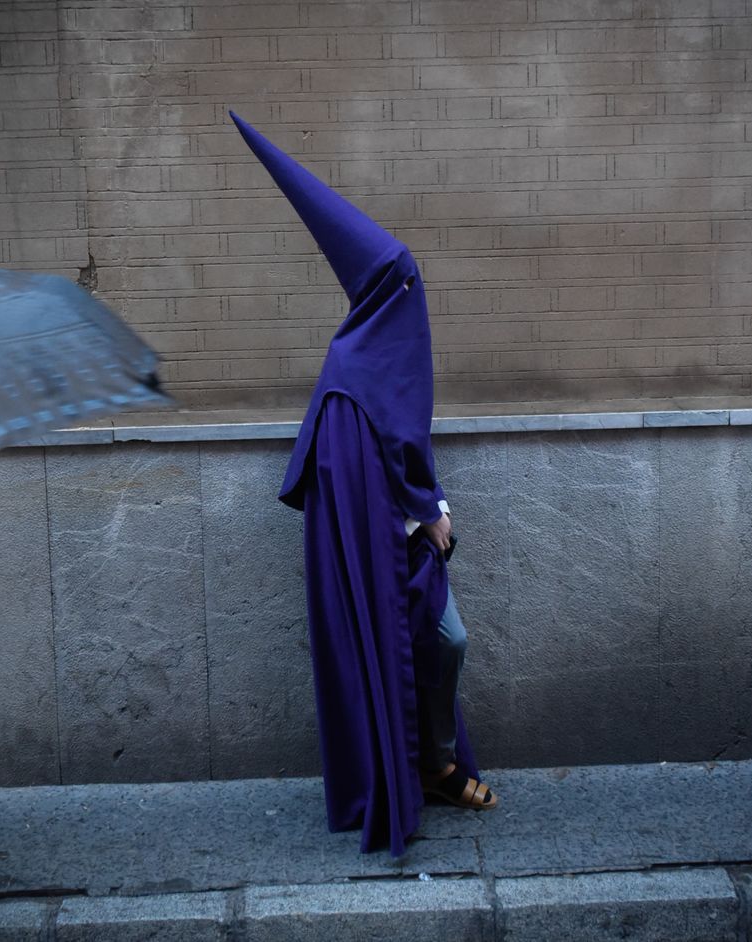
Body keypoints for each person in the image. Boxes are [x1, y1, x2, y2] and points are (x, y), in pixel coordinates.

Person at [231, 112, 498, 857]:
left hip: (406, 539)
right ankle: (427, 768)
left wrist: (430, 507)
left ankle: (433, 762)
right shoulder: (352, 374)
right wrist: (424, 518)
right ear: (385, 292)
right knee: (445, 639)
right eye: (404, 283)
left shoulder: (380, 359)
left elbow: (406, 445)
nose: (415, 295)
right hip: (381, 548)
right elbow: (362, 473)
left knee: (442, 644)